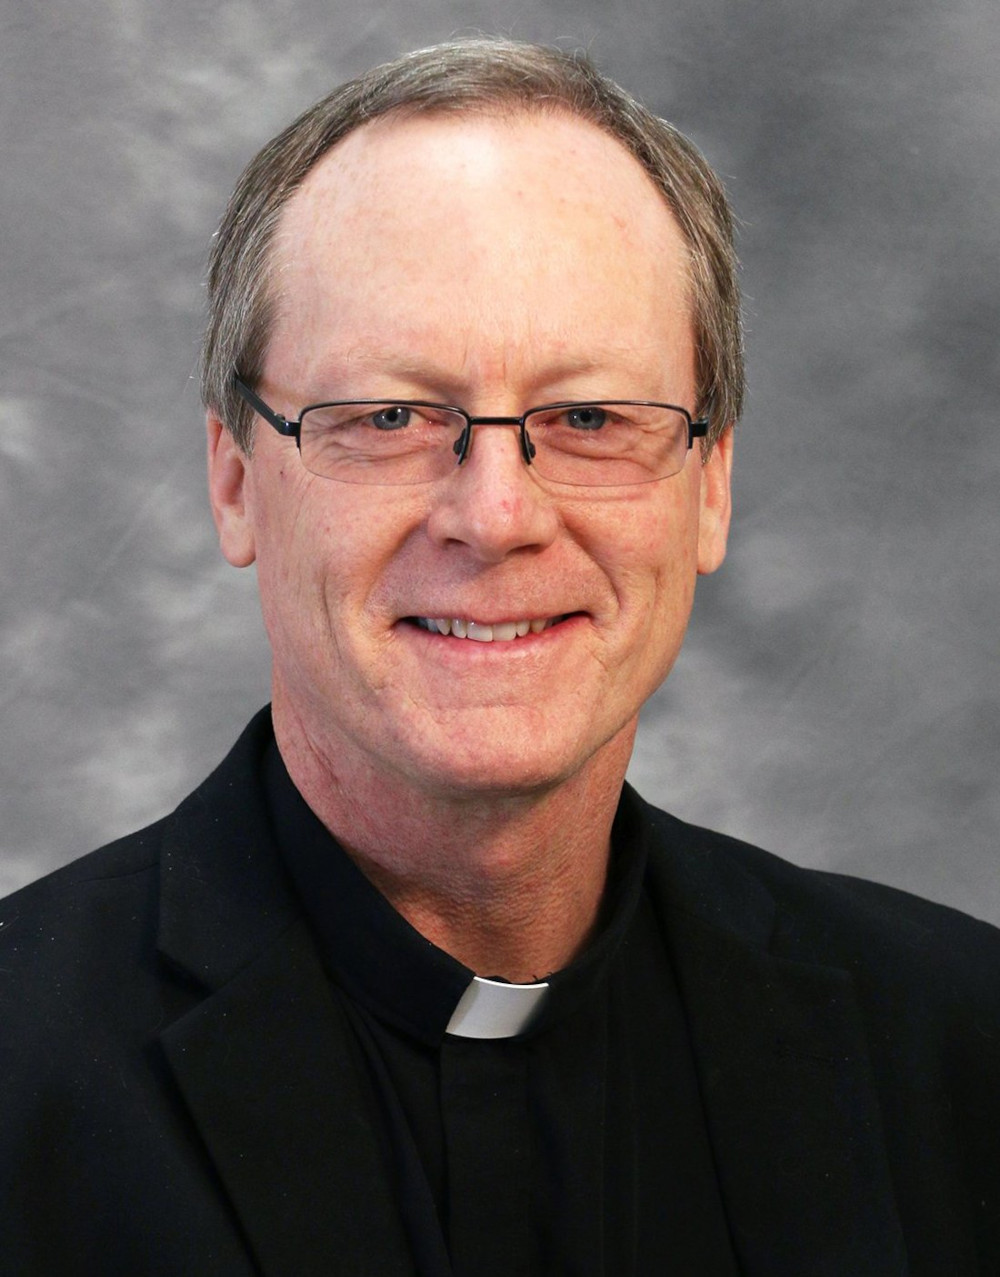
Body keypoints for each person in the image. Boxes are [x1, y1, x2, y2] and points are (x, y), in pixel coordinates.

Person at [1, 38, 998, 1276]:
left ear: (709, 486)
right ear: (234, 479)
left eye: (587, 417)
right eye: (387, 416)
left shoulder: (961, 1049)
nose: (496, 513)